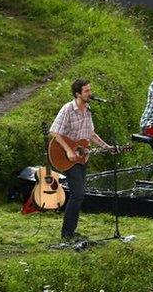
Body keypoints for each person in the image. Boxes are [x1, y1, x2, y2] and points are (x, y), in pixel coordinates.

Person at [48, 78, 111, 242]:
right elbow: (54, 132)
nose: (90, 93)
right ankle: (66, 233)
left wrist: (106, 147)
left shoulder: (88, 110)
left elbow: (90, 134)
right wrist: (69, 150)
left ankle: (70, 232)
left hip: (82, 157)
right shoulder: (68, 109)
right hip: (67, 156)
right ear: (78, 94)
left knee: (79, 195)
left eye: (90, 90)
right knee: (78, 194)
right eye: (87, 91)